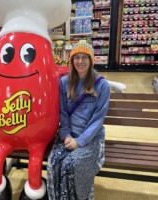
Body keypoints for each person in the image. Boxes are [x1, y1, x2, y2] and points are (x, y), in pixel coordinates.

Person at [47, 41, 110, 200]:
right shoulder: (64, 82)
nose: (80, 62)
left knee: (72, 164)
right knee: (54, 162)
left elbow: (97, 120)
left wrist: (80, 141)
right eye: (76, 57)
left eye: (84, 57)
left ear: (91, 60)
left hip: (92, 139)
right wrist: (66, 134)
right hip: (68, 136)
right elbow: (63, 113)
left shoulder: (102, 85)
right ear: (71, 60)